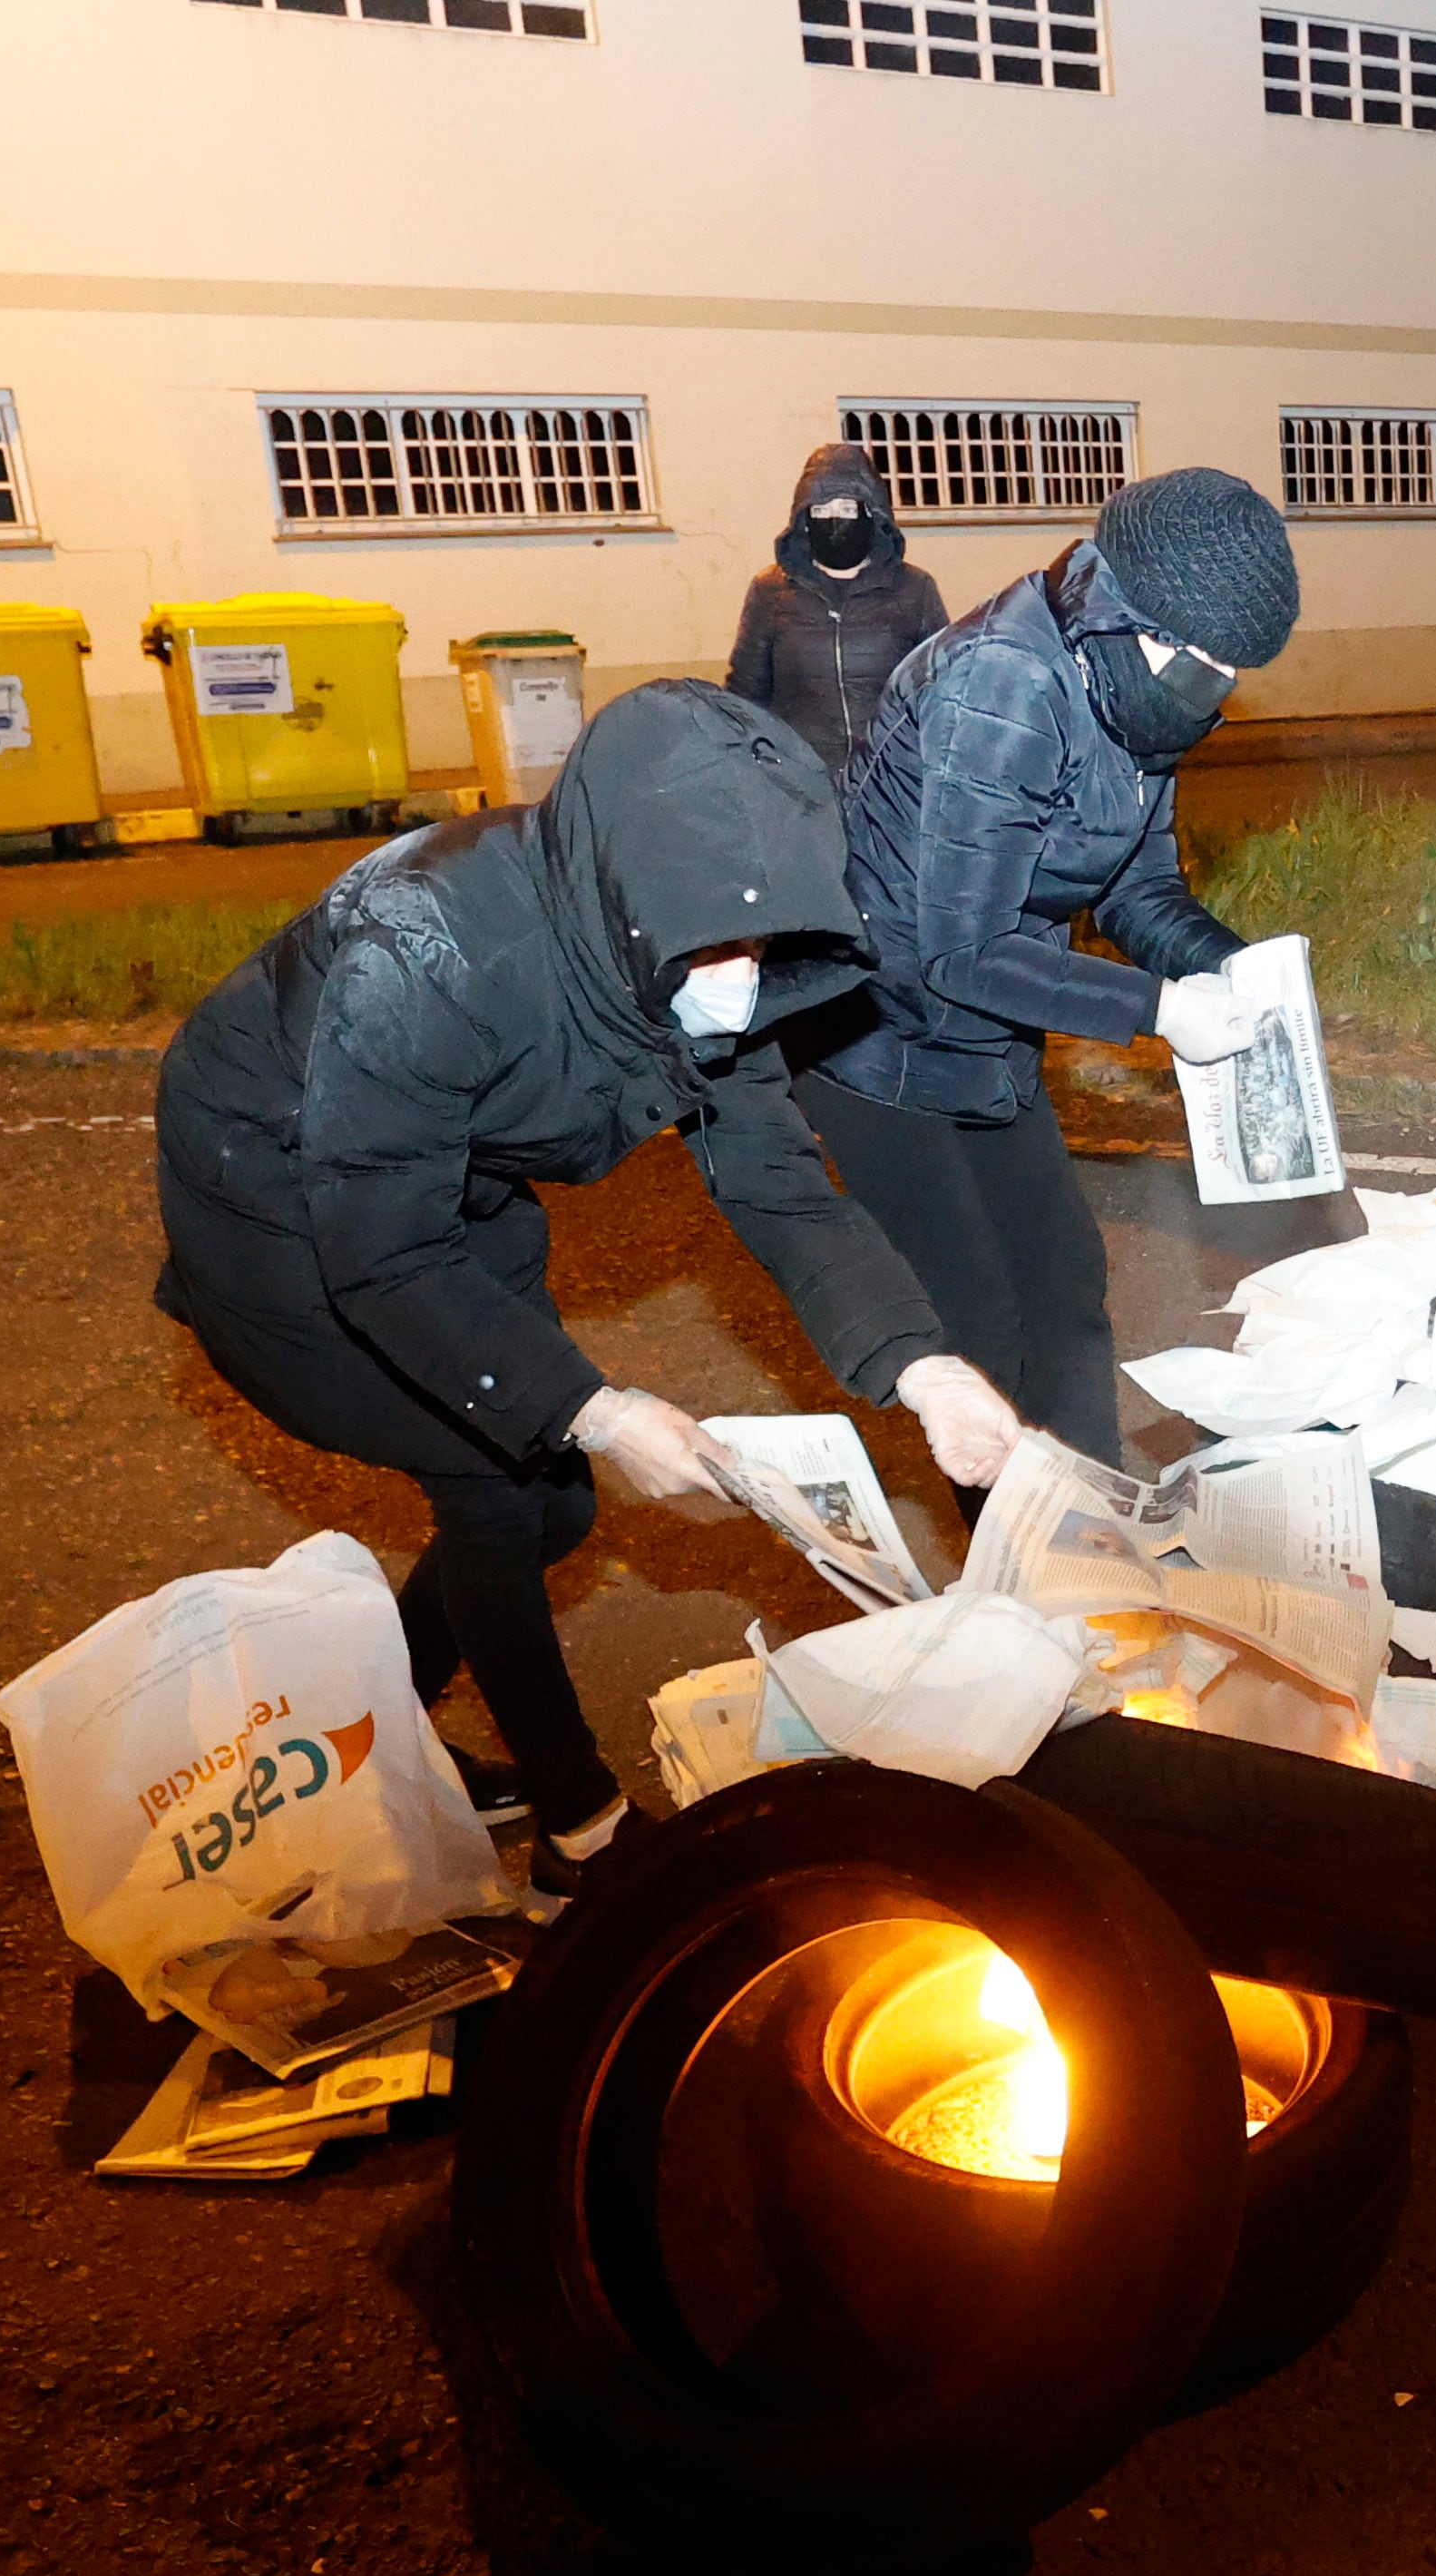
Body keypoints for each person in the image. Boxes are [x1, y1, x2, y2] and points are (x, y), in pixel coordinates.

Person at [152, 682, 1025, 1886]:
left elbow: (775, 1177)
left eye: (760, 942)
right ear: (630, 898)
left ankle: (379, 1731)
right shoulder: (433, 950)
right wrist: (601, 1412)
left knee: (551, 1503)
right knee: (506, 1490)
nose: (740, 975)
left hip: (454, 1171)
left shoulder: (689, 920)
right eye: (716, 944)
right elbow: (383, 1250)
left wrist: (922, 1368)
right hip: (283, 1189)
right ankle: (583, 1828)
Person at [797, 466, 1305, 1469]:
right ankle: (1018, 1575)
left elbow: (1136, 890)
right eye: (1194, 657)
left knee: (1063, 1277)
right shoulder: (1005, 682)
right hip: (875, 1030)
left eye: (1227, 667)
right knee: (977, 1316)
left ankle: (1090, 1525)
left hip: (989, 1023)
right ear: (1123, 613)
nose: (1210, 683)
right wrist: (1159, 1007)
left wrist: (1239, 972)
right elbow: (960, 947)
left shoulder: (1140, 692)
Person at [725, 442, 950, 779]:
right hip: (801, 783)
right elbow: (745, 693)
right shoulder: (770, 591)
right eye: (821, 510)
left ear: (872, 514)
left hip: (892, 778)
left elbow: (942, 687)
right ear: (803, 519)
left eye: (847, 509)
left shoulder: (913, 589)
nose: (834, 520)